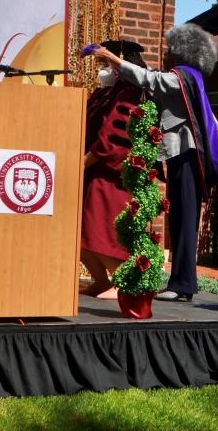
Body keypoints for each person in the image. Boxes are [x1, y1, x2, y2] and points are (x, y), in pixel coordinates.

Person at [91, 24, 218, 302]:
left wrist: (114, 59)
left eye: (170, 50)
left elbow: (152, 81)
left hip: (188, 157)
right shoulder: (188, 78)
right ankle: (181, 284)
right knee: (181, 219)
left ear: (184, 53)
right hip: (182, 156)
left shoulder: (184, 76)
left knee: (184, 220)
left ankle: (183, 285)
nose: (166, 54)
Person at [80, 40, 148, 299]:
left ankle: (125, 283)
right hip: (89, 169)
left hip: (109, 175)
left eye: (106, 63)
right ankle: (100, 281)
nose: (103, 70)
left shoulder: (131, 94)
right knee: (79, 232)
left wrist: (81, 163)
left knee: (98, 231)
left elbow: (112, 139)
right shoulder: (106, 93)